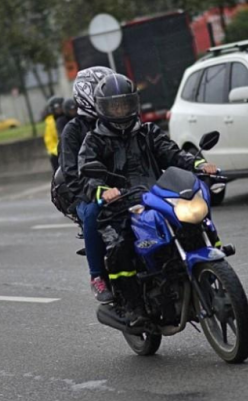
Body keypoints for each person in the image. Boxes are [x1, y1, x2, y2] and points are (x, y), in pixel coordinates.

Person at [78, 74, 218, 325]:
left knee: (190, 219)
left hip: (155, 196)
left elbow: (172, 154)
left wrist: (198, 163)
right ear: (103, 108)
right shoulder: (94, 140)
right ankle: (132, 305)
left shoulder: (147, 131)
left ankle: (205, 260)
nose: (121, 111)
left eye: (125, 104)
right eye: (115, 106)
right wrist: (102, 190)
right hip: (119, 204)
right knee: (121, 243)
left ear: (134, 104)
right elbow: (87, 173)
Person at [57, 66, 114, 303]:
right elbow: (71, 174)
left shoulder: (121, 120)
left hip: (123, 188)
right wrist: (95, 191)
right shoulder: (73, 130)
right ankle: (97, 276)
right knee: (93, 213)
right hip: (86, 194)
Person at [44, 96, 64, 171]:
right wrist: (57, 151)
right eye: (56, 108)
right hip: (58, 151)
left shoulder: (68, 118)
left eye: (60, 107)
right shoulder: (49, 122)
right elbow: (49, 141)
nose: (58, 110)